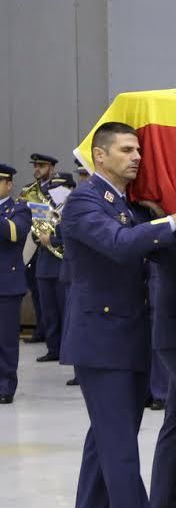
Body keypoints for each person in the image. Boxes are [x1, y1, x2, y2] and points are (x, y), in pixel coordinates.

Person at [60, 121, 176, 508]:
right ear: (100, 155)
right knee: (119, 447)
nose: (136, 157)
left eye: (138, 150)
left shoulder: (123, 205)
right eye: (126, 150)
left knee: (105, 442)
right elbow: (119, 246)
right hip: (101, 341)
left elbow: (151, 247)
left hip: (126, 338)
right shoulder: (85, 202)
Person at [27, 154, 67, 362]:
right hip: (44, 264)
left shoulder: (68, 206)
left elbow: (68, 235)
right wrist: (40, 236)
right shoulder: (42, 203)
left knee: (64, 310)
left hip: (61, 263)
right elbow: (35, 231)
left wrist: (51, 239)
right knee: (48, 310)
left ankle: (66, 350)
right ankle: (53, 348)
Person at [0, 163, 32, 403]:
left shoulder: (19, 210)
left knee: (6, 340)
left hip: (6, 285)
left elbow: (14, 233)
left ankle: (5, 386)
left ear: (8, 184)